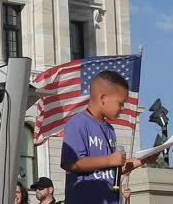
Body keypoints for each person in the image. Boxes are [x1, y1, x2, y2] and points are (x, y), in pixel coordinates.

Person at [60, 70, 158, 204]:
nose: (122, 108)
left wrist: (143, 160)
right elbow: (71, 163)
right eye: (120, 103)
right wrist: (109, 160)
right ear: (103, 98)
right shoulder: (77, 123)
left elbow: (112, 168)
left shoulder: (110, 130)